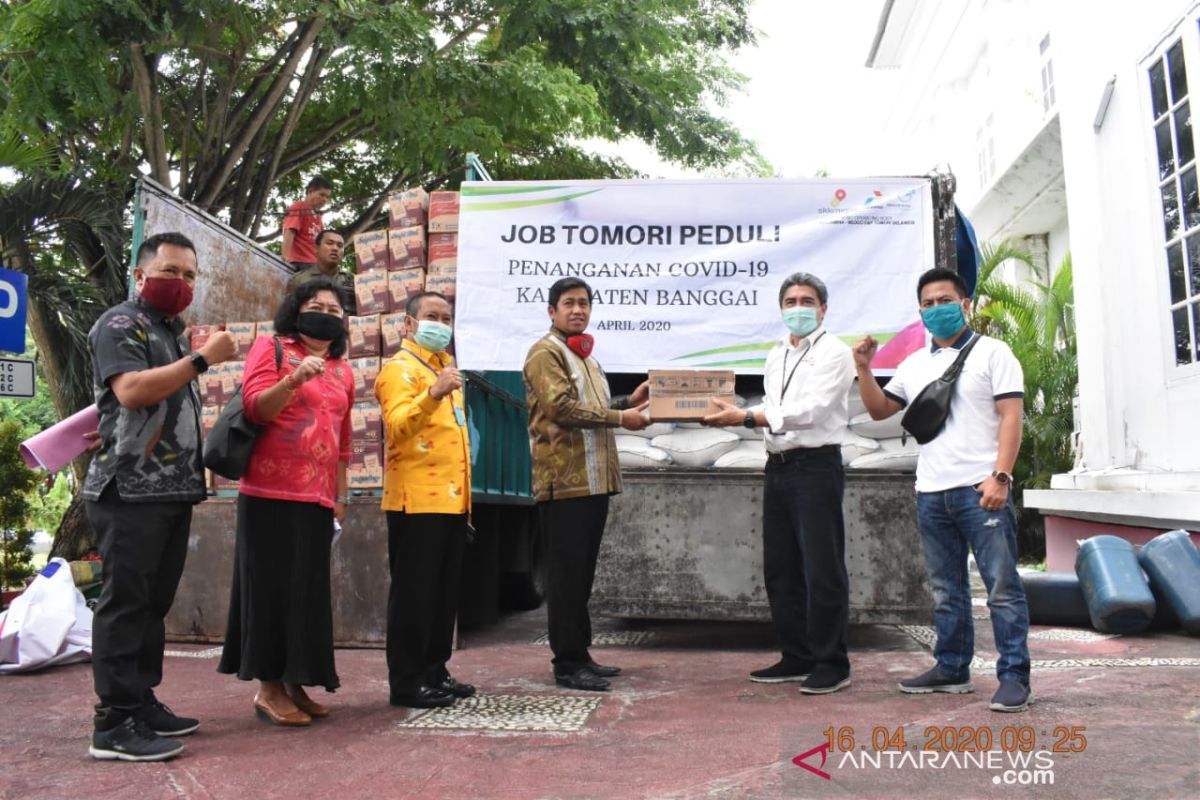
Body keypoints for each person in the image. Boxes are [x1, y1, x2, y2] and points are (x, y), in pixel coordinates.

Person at [84, 231, 238, 761]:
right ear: (140, 273)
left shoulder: (168, 331)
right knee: (125, 606)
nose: (181, 283)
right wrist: (201, 360)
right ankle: (113, 722)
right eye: (171, 272)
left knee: (153, 605)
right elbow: (129, 390)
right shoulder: (120, 323)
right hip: (128, 489)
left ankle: (141, 701)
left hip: (171, 490)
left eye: (190, 275)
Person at [852, 267, 1032, 713]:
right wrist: (862, 367)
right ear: (920, 311)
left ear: (965, 304)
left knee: (1002, 589)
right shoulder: (915, 364)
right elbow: (878, 411)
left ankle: (1014, 678)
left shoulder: (994, 353)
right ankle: (951, 669)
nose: (937, 310)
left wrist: (1001, 476)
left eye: (945, 301)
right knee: (946, 590)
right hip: (932, 493)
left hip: (980, 489)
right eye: (928, 304)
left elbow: (1012, 416)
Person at [703, 272, 855, 695]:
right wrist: (738, 410)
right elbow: (775, 406)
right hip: (779, 466)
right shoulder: (776, 354)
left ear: (823, 309)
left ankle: (831, 662)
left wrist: (747, 417)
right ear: (781, 308)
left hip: (816, 467)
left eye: (807, 301)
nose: (798, 308)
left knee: (822, 567)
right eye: (790, 301)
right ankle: (797, 655)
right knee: (782, 567)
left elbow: (811, 409)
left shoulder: (834, 353)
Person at [217, 277, 355, 726]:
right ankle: (269, 690)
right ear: (296, 310)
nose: (327, 315)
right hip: (268, 493)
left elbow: (343, 439)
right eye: (318, 306)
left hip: (316, 497)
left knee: (305, 593)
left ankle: (296, 682)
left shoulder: (343, 369)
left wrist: (341, 494)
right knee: (271, 591)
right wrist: (294, 380)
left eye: (336, 311)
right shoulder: (272, 347)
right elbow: (257, 408)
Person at [523, 277, 650, 692]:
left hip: (594, 481)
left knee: (581, 575)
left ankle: (580, 654)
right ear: (551, 311)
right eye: (568, 304)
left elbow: (592, 408)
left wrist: (628, 403)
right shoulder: (546, 353)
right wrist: (621, 419)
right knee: (565, 576)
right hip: (564, 481)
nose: (577, 310)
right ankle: (566, 663)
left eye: (583, 303)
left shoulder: (588, 358)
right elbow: (560, 408)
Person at [375, 291, 474, 709]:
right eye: (431, 316)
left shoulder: (445, 370)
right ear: (409, 324)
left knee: (442, 595)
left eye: (446, 317)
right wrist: (432, 393)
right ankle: (407, 682)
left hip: (451, 501)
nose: (441, 324)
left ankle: (436, 670)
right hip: (415, 501)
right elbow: (397, 427)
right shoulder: (399, 370)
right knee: (414, 596)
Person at [288, 229, 356, 315]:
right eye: (330, 243)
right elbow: (290, 312)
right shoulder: (299, 280)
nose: (335, 248)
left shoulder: (354, 280)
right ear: (316, 248)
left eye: (340, 246)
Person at [282, 176, 332, 270]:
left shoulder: (318, 217)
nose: (325, 199)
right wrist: (284, 259)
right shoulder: (299, 207)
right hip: (300, 262)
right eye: (322, 195)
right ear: (310, 191)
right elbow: (290, 231)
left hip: (314, 264)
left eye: (327, 197)